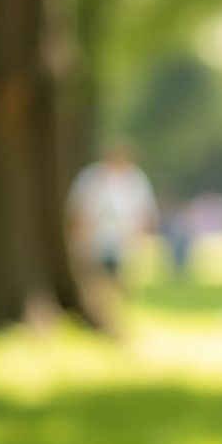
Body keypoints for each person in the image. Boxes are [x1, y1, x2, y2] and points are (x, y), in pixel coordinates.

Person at [65, 140, 159, 334]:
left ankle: (114, 322)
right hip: (93, 243)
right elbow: (78, 213)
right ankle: (101, 321)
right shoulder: (91, 179)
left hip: (122, 244)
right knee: (96, 284)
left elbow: (145, 214)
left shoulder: (135, 181)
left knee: (118, 285)